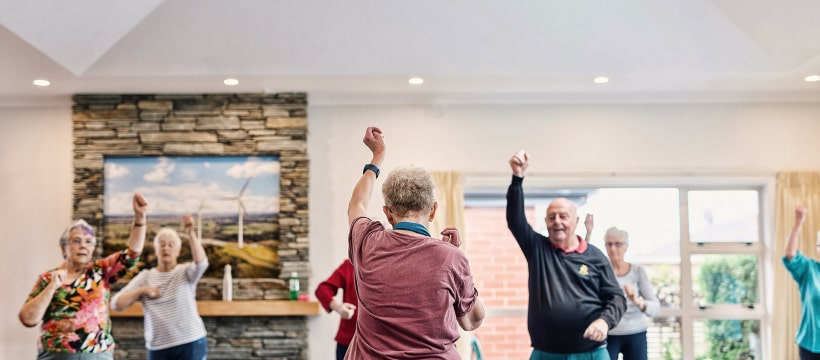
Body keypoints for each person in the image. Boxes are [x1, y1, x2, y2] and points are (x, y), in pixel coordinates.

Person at [345, 126, 485, 359]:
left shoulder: (368, 242)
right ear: (433, 211)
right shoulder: (451, 257)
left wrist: (377, 156)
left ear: (388, 213)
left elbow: (356, 205)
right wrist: (455, 263)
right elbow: (472, 321)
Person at [507, 150, 626, 360]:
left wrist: (604, 321)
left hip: (591, 352)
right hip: (546, 353)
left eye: (563, 216)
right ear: (546, 222)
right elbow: (516, 220)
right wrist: (517, 178)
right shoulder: (537, 249)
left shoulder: (595, 256)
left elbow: (617, 297)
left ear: (576, 222)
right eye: (552, 217)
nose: (557, 221)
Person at [18, 193, 148, 360]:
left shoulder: (101, 271)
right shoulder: (48, 278)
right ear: (64, 248)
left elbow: (131, 256)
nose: (83, 246)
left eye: (88, 242)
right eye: (77, 241)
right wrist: (52, 287)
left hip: (98, 354)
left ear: (93, 248)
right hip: (54, 355)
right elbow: (28, 319)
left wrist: (140, 217)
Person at [111, 214, 208, 360]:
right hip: (158, 347)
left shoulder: (185, 272)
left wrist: (190, 233)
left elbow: (201, 263)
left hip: (191, 342)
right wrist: (142, 290)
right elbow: (116, 304)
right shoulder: (145, 277)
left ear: (178, 250)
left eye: (170, 245)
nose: (166, 248)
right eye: (162, 244)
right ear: (156, 250)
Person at [597, 224, 660, 360]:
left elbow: (655, 308)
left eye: (618, 244)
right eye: (609, 244)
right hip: (609, 334)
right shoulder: (601, 272)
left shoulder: (638, 272)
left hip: (636, 333)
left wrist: (637, 300)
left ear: (626, 246)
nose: (613, 249)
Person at [783, 206, 820, 359]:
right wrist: (798, 223)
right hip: (810, 345)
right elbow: (791, 254)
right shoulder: (809, 269)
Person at [314, 259, 357, 360]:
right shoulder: (350, 265)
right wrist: (338, 307)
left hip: (383, 343)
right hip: (348, 342)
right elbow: (323, 289)